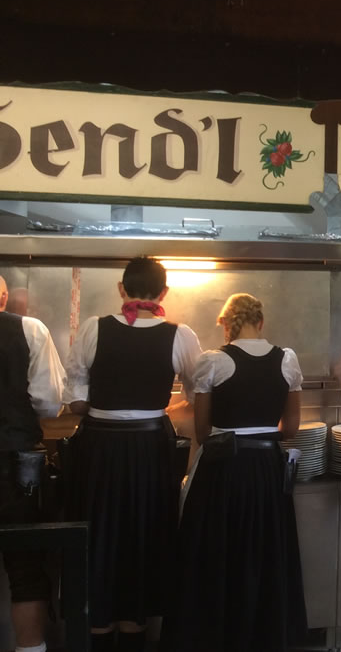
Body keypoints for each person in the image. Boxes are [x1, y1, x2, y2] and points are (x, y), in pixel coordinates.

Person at [63, 257, 201, 652]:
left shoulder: (93, 327)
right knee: (143, 535)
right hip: (149, 448)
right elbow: (199, 393)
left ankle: (98, 628)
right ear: (164, 293)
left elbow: (75, 399)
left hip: (99, 448)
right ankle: (134, 628)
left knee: (99, 536)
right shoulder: (180, 335)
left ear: (121, 289)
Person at [161, 293, 306, 652]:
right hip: (268, 470)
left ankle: (216, 638)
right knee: (265, 553)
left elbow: (203, 431)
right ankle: (263, 638)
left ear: (226, 324)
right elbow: (290, 428)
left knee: (218, 555)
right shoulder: (287, 360)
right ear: (261, 322)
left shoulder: (214, 361)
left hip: (223, 470)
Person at [0, 276, 64, 652]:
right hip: (15, 463)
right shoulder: (29, 329)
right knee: (25, 569)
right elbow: (49, 402)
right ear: (4, 297)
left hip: (15, 461)